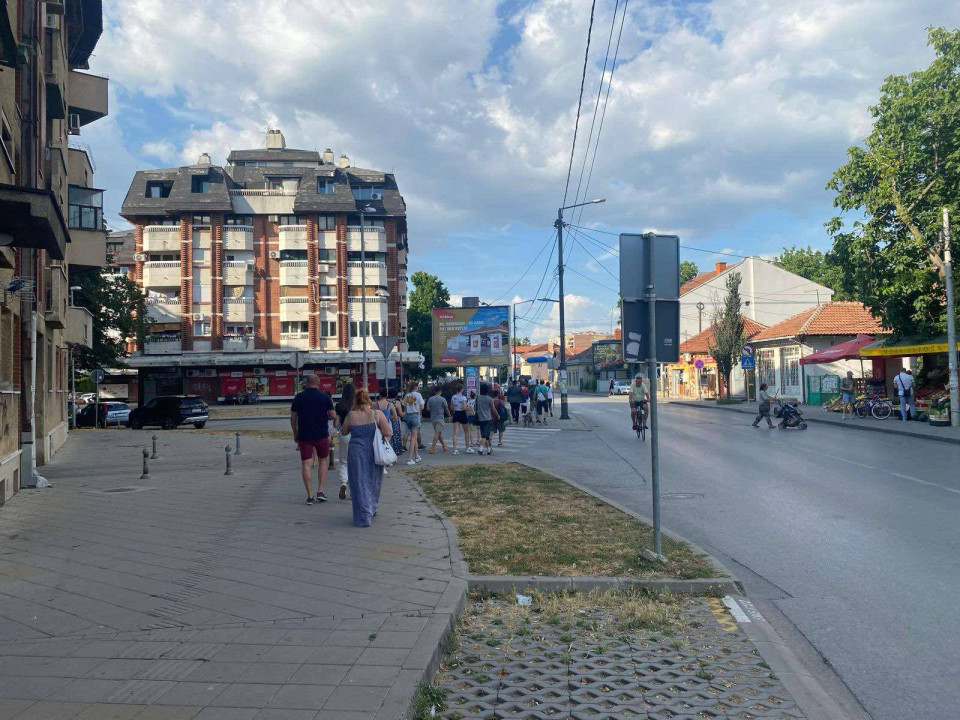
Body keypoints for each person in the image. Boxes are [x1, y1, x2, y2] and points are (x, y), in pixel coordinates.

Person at [341, 388, 393, 528]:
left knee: (358, 481)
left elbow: (344, 432)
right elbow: (388, 432)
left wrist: (352, 411)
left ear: (356, 401)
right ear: (368, 399)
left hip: (356, 451)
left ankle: (362, 514)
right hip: (374, 451)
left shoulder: (351, 415)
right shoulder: (377, 414)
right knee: (374, 480)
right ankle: (371, 507)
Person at [290, 374, 337, 505]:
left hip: (304, 435)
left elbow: (293, 418)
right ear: (318, 382)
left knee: (306, 464)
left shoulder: (299, 397)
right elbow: (333, 415)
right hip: (321, 434)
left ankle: (310, 496)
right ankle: (320, 491)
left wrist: (295, 433)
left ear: (306, 383)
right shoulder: (325, 397)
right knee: (323, 460)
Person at [334, 383, 357, 501]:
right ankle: (354, 491)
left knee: (344, 461)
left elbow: (336, 424)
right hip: (356, 434)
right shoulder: (357, 405)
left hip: (343, 434)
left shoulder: (339, 405)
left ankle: (343, 482)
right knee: (355, 463)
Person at [401, 380, 425, 465]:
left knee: (412, 436)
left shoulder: (407, 395)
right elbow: (422, 407)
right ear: (415, 387)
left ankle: (417, 456)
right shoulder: (418, 395)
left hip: (408, 416)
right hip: (415, 416)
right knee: (414, 437)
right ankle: (409, 459)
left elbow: (404, 406)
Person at [427, 385, 451, 453]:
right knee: (437, 433)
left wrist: (433, 408)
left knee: (438, 433)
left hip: (433, 418)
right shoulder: (442, 399)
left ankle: (444, 446)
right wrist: (449, 416)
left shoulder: (430, 399)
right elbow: (446, 408)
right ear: (440, 391)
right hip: (440, 418)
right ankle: (432, 448)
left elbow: (428, 409)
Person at [474, 383, 497, 456]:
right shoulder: (490, 399)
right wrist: (497, 415)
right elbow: (493, 409)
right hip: (488, 418)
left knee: (485, 435)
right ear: (487, 390)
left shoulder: (478, 398)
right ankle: (480, 449)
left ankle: (489, 449)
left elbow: (475, 408)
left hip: (480, 418)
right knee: (484, 435)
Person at [450, 384, 469, 455]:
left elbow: (452, 407)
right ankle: (467, 447)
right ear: (462, 389)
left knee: (455, 433)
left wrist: (456, 408)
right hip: (462, 414)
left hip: (456, 413)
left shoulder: (453, 397)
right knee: (466, 431)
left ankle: (455, 449)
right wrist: (467, 407)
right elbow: (464, 407)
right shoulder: (463, 397)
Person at [385, 388, 404, 458]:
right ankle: (396, 452)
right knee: (396, 436)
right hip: (395, 421)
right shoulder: (397, 402)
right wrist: (406, 411)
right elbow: (401, 414)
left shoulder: (386, 401)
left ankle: (388, 452)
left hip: (386, 421)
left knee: (388, 437)